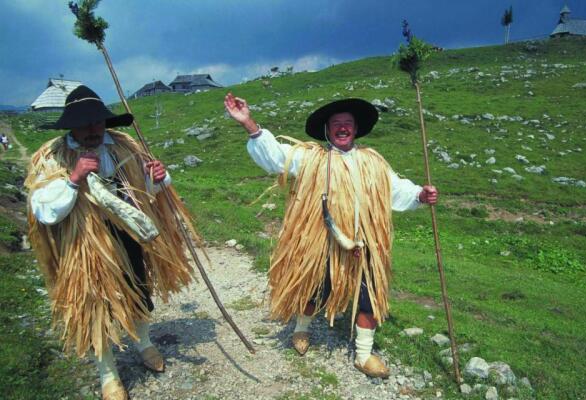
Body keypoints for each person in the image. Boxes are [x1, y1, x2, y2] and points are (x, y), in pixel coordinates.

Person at [224, 93, 438, 378]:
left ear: (356, 128)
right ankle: (302, 329)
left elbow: (397, 189)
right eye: (336, 123)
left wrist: (421, 195)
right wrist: (249, 123)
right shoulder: (313, 159)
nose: (342, 127)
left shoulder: (373, 162)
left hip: (366, 244)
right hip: (323, 243)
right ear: (327, 129)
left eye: (347, 123)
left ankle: (363, 355)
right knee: (315, 289)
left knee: (369, 295)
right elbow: (277, 157)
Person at [26, 86, 198, 400]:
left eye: (98, 121)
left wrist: (158, 177)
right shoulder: (52, 156)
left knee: (138, 289)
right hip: (85, 245)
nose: (93, 128)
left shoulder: (121, 146)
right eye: (85, 123)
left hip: (128, 235)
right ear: (71, 126)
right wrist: (73, 179)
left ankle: (144, 344)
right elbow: (44, 210)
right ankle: (108, 375)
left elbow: (143, 188)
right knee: (96, 304)